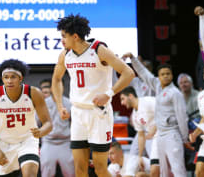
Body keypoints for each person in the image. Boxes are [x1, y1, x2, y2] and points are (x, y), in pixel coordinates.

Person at [52, 14, 135, 177]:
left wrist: (109, 93)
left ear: (75, 36)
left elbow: (128, 72)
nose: (61, 40)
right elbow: (56, 79)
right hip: (77, 113)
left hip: (99, 114)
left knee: (100, 168)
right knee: (80, 169)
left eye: (63, 36)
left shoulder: (99, 50)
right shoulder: (65, 55)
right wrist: (60, 105)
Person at [0, 59, 53, 176]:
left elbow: (48, 123)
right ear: (2, 79)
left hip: (27, 141)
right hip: (5, 143)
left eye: (13, 77)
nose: (9, 80)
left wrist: (41, 131)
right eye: (6, 77)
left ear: (20, 78)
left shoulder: (33, 93)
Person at [122, 52, 190, 177]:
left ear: (172, 75)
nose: (165, 76)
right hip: (159, 136)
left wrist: (185, 138)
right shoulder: (158, 85)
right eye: (162, 74)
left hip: (172, 133)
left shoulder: (175, 93)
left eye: (168, 74)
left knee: (178, 169)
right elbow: (144, 73)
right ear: (158, 76)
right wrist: (133, 59)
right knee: (163, 172)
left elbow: (182, 117)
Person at [36, 79, 75, 177]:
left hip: (66, 142)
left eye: (60, 86)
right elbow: (36, 124)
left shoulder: (69, 103)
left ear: (63, 88)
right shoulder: (43, 104)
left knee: (71, 174)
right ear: (51, 88)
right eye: (55, 86)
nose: (58, 88)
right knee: (46, 174)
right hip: (48, 142)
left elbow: (76, 123)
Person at [119, 86, 160, 177]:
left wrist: (156, 126)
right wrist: (140, 156)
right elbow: (141, 135)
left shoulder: (147, 101)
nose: (122, 103)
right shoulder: (134, 116)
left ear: (130, 96)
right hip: (154, 139)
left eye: (123, 99)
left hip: (166, 134)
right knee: (154, 171)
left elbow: (164, 110)